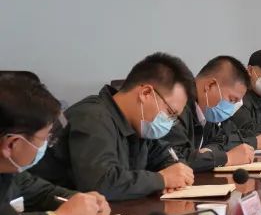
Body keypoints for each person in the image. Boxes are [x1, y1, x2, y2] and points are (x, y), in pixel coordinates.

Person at [34, 53, 196, 201]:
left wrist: (176, 172)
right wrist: (162, 180)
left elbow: (168, 155)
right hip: (49, 214)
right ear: (146, 93)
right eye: (170, 113)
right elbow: (101, 184)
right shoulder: (93, 117)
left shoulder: (139, 126)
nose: (170, 122)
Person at [0, 73, 110, 215]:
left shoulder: (11, 172)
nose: (46, 145)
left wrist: (82, 201)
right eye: (45, 138)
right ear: (12, 144)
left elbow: (43, 193)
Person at [163, 55, 254, 172]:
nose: (231, 108)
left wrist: (208, 154)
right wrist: (227, 158)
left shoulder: (207, 110)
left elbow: (221, 140)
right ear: (210, 85)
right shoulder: (176, 107)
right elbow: (173, 158)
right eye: (231, 100)